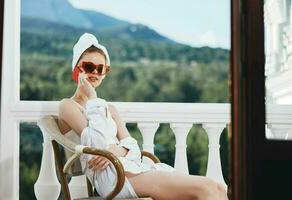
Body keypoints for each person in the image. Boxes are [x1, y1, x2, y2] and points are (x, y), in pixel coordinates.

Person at [58, 33, 228, 200]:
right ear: (77, 67)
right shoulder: (68, 106)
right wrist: (92, 98)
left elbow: (133, 148)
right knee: (207, 188)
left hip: (133, 168)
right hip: (113, 179)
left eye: (101, 68)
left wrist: (114, 151)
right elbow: (97, 144)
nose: (95, 72)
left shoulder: (109, 108)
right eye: (89, 67)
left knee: (218, 187)